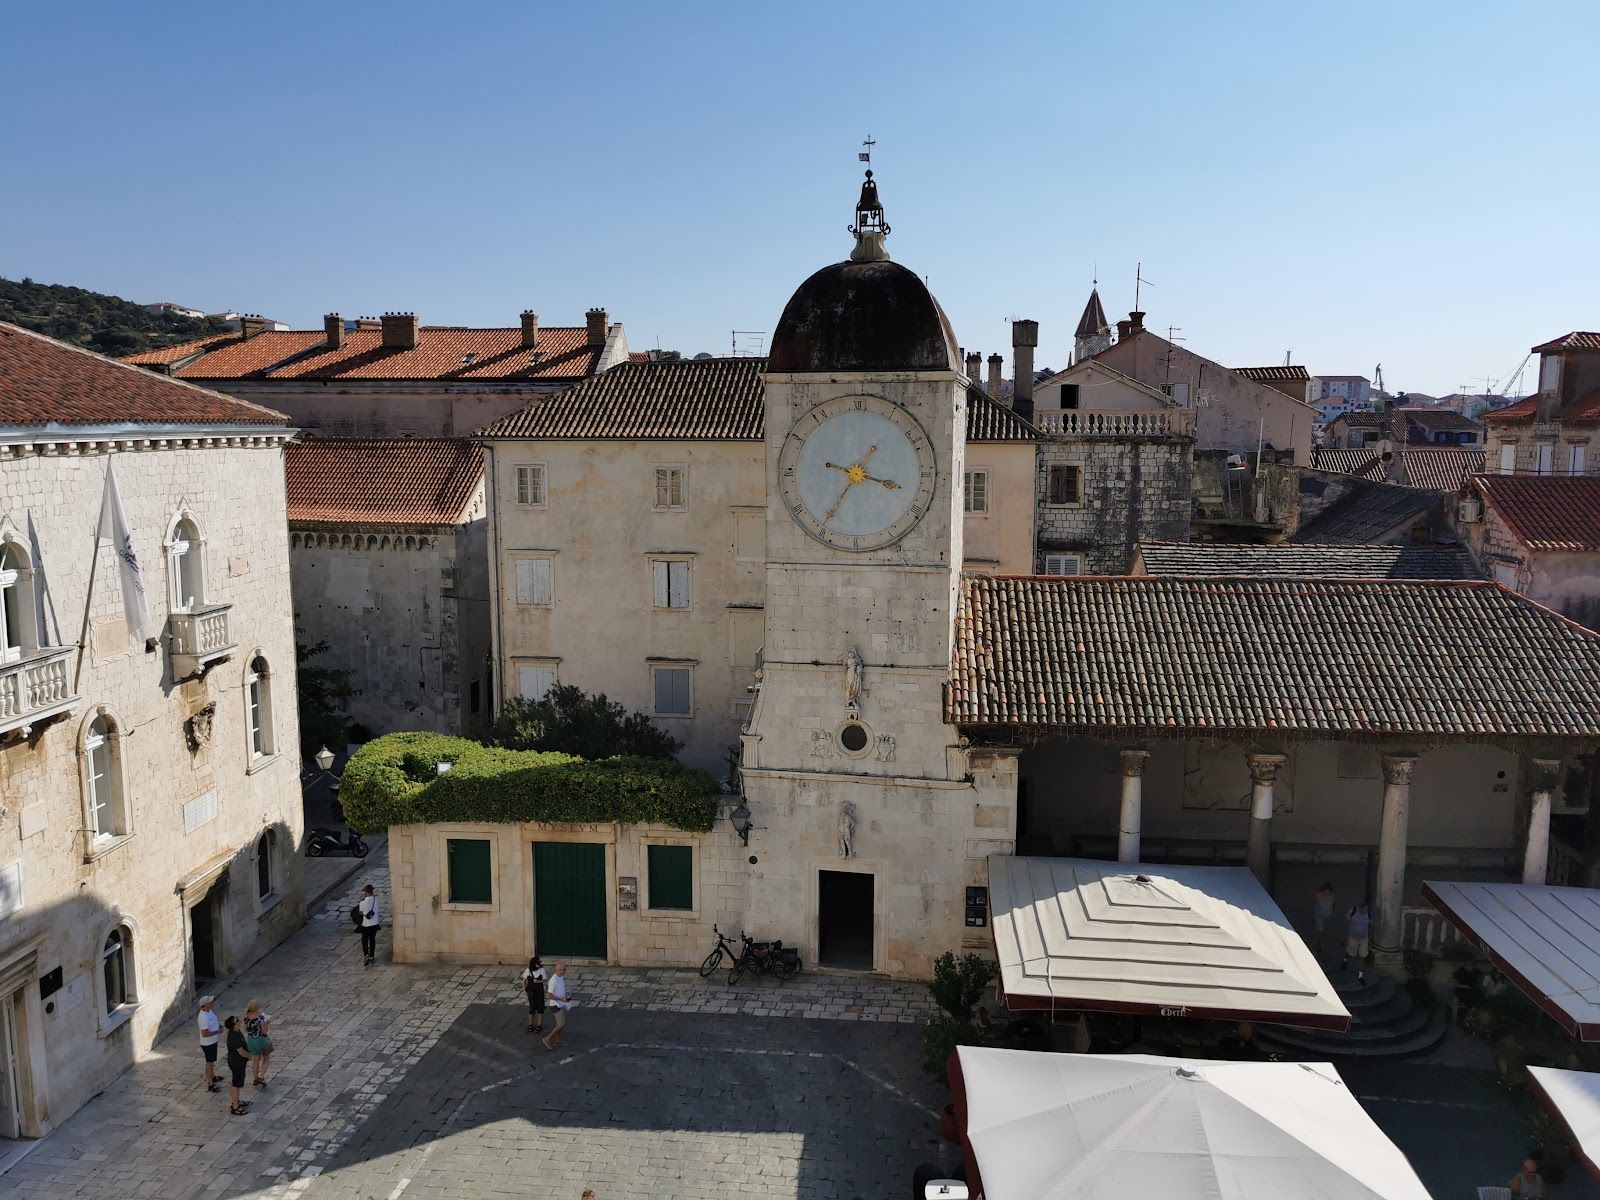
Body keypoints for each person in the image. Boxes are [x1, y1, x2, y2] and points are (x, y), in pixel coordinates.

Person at [224, 1015, 251, 1115]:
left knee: (236, 1083)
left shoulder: (236, 1032)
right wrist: (249, 1056)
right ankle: (235, 1106)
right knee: (236, 1084)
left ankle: (236, 1101)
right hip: (237, 1063)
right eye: (237, 1020)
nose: (240, 1021)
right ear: (234, 1025)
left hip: (237, 1062)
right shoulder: (234, 1037)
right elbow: (241, 1052)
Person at [541, 963, 572, 1052]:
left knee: (559, 1024)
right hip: (556, 1005)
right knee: (562, 1024)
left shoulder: (560, 977)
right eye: (564, 969)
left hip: (561, 1003)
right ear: (559, 970)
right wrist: (561, 999)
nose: (565, 971)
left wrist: (565, 998)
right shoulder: (553, 980)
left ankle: (558, 1040)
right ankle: (547, 1038)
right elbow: (549, 995)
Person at [243, 998, 274, 1087]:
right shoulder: (260, 1019)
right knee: (266, 1058)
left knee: (255, 1060)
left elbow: (245, 1029)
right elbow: (265, 1031)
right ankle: (261, 1077)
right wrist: (267, 1023)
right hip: (261, 1040)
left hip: (251, 1041)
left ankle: (255, 1078)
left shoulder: (246, 1018)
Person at [1342, 902, 1373, 982]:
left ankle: (1360, 976)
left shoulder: (1369, 914)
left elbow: (1371, 926)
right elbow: (1346, 922)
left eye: (1366, 909)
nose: (1365, 911)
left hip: (1364, 939)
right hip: (1353, 937)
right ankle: (1345, 960)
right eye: (1363, 909)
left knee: (1363, 956)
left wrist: (1370, 938)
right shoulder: (1353, 911)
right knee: (1350, 953)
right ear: (1359, 908)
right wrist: (1344, 936)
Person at [197, 996, 221, 1093]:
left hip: (213, 1041)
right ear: (205, 1004)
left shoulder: (209, 1011)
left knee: (212, 1062)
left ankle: (213, 1076)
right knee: (209, 1063)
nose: (212, 1002)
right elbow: (205, 1033)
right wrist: (218, 1031)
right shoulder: (203, 1017)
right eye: (210, 1001)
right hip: (208, 1043)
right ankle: (210, 1083)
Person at [521, 956, 547, 1034]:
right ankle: (530, 1025)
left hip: (539, 992)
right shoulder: (528, 970)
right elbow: (524, 980)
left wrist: (538, 981)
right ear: (534, 964)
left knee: (540, 1008)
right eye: (538, 963)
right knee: (532, 1008)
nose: (539, 964)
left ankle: (539, 1025)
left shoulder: (542, 970)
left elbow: (545, 980)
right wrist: (524, 989)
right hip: (531, 992)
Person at [1312, 882, 1336, 958]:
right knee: (1321, 933)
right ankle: (1320, 950)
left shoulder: (1332, 896)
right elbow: (1315, 905)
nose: (1327, 891)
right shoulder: (1318, 895)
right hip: (1320, 916)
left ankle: (1318, 948)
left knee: (1323, 933)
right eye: (1326, 889)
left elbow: (1333, 905)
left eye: (1328, 890)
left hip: (1328, 916)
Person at [358, 884, 380, 966]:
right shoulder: (375, 899)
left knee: (364, 940)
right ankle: (372, 956)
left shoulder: (362, 903)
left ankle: (366, 955)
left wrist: (362, 901)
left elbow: (360, 912)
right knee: (372, 939)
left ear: (365, 892)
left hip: (366, 924)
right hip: (375, 923)